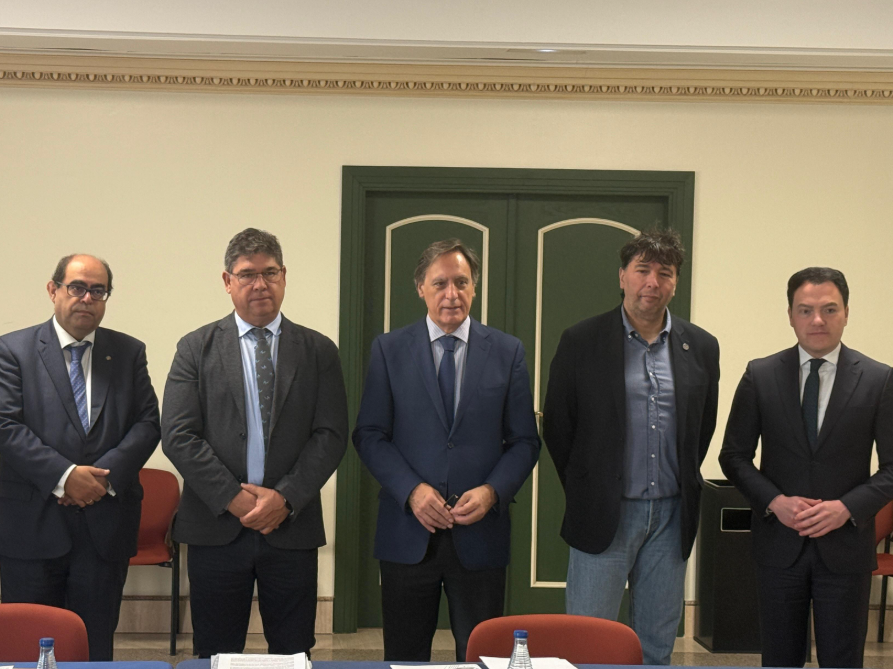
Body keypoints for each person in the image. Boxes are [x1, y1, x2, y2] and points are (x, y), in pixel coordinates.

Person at [162, 228, 348, 657]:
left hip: (291, 526)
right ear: (227, 281)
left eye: (270, 273)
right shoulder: (195, 348)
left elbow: (331, 435)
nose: (260, 284)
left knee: (293, 651)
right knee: (216, 651)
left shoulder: (319, 351)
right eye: (247, 274)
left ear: (284, 276)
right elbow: (178, 434)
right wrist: (233, 498)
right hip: (216, 528)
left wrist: (286, 498)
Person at [353, 238, 541, 662]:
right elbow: (369, 434)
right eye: (440, 283)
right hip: (408, 532)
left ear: (475, 287)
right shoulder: (389, 350)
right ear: (420, 287)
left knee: (481, 658)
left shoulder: (507, 351)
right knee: (404, 658)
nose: (451, 294)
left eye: (461, 282)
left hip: (480, 534)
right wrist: (412, 491)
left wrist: (492, 492)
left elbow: (525, 441)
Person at [542, 227, 719, 665]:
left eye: (665, 273)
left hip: (671, 517)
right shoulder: (581, 341)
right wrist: (590, 484)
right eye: (642, 270)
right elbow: (559, 428)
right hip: (605, 513)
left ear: (675, 282)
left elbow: (700, 429)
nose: (652, 283)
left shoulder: (701, 346)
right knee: (589, 643)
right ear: (622, 276)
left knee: (656, 645)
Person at [0, 254, 160, 661]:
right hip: (32, 526)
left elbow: (148, 423)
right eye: (77, 287)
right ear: (53, 290)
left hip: (104, 528)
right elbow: (4, 425)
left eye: (98, 291)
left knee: (93, 647)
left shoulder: (128, 351)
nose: (87, 298)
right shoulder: (13, 349)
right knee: (29, 647)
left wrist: (101, 479)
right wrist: (65, 477)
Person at [719, 267, 893, 668]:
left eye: (829, 309)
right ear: (790, 315)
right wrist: (775, 502)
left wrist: (846, 508)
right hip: (779, 546)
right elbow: (734, 456)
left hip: (846, 547)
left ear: (846, 313)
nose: (817, 320)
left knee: (842, 660)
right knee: (780, 660)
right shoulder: (761, 375)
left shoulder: (879, 379)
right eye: (805, 310)